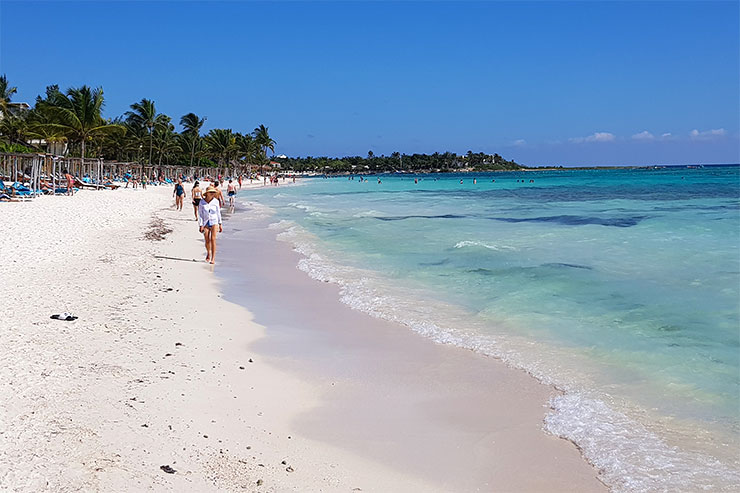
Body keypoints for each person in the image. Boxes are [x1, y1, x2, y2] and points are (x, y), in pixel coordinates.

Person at [198, 186, 223, 264]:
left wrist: (220, 223)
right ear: (207, 194)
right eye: (211, 192)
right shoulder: (202, 202)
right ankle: (208, 252)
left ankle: (213, 258)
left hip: (214, 221)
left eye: (213, 192)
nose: (212, 194)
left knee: (213, 239)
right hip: (205, 222)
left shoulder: (216, 201)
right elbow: (200, 214)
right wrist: (200, 224)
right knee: (207, 240)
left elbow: (218, 213)